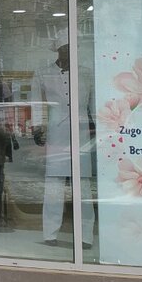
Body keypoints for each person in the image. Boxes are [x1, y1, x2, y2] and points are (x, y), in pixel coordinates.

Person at [31, 44, 95, 247]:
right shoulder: (43, 73)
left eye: (70, 48)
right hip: (56, 132)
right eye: (63, 48)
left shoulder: (86, 73)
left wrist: (99, 128)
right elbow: (36, 103)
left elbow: (94, 105)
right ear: (57, 50)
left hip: (82, 133)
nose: (67, 52)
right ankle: (50, 233)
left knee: (83, 186)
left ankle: (85, 235)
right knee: (54, 185)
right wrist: (37, 127)